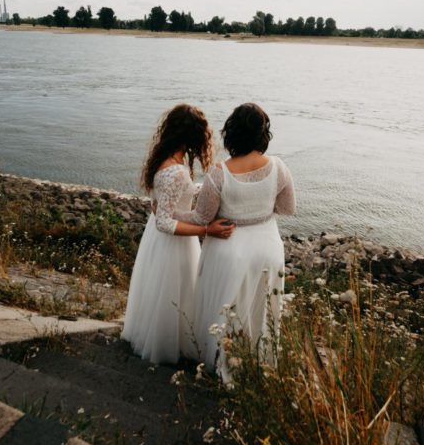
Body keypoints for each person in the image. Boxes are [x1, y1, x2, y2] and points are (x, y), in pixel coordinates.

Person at [180, 103, 295, 382]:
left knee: (226, 310)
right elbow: (287, 208)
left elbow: (201, 218)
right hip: (267, 247)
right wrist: (260, 209)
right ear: (263, 134)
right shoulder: (279, 167)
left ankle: (222, 363)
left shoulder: (219, 173)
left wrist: (170, 213)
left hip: (230, 247)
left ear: (231, 133)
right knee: (262, 310)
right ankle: (259, 362)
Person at [121, 104, 235, 365]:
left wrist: (204, 188)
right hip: (173, 244)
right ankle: (167, 347)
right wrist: (207, 230)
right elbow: (164, 222)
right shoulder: (177, 171)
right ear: (193, 136)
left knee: (162, 291)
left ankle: (160, 338)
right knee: (173, 293)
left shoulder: (165, 161)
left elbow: (167, 203)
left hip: (158, 241)